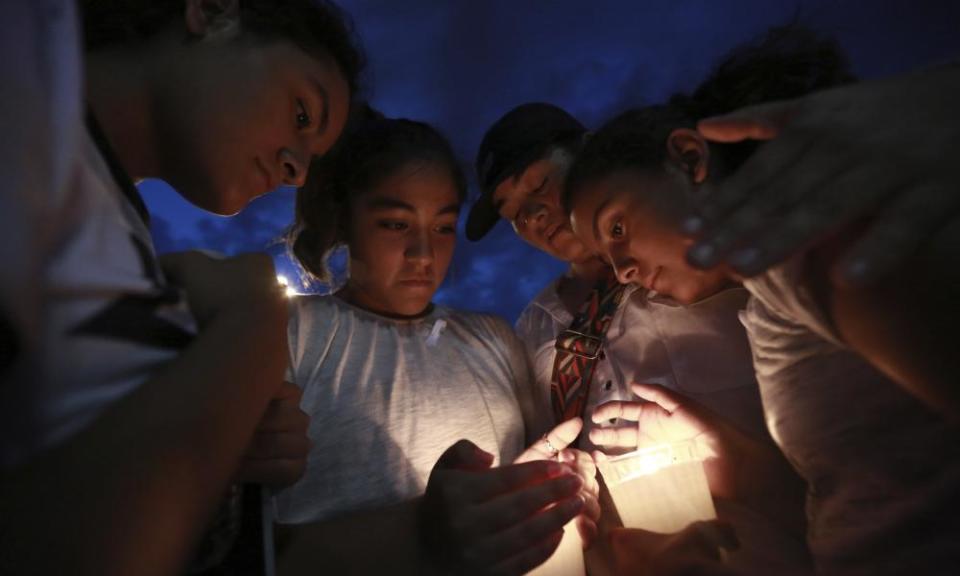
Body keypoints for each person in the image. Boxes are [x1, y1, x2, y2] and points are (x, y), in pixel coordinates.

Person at [563, 24, 960, 576]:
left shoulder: (808, 245)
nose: (624, 271)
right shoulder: (768, 308)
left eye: (618, 226)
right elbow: (859, 493)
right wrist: (733, 461)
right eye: (608, 260)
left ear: (688, 158)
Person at [0, 1, 362, 575]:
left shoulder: (114, 225)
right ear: (213, 11)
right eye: (301, 112)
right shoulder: (25, 73)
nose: (299, 171)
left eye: (313, 157)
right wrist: (252, 322)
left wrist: (226, 423)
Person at [272, 117, 599, 576]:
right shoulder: (292, 333)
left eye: (444, 228)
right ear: (344, 218)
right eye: (394, 223)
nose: (423, 253)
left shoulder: (495, 339)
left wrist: (548, 488)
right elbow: (239, 544)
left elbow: (527, 474)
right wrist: (420, 536)